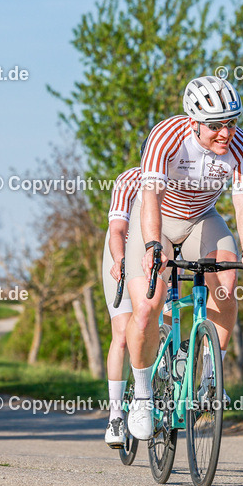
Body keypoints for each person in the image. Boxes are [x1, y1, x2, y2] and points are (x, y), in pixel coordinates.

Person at [123, 75, 243, 440]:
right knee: (148, 307)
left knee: (226, 288)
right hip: (156, 220)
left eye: (231, 122)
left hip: (201, 218)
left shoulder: (242, 147)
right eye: (215, 126)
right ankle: (141, 394)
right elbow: (149, 194)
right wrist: (153, 244)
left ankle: (211, 380)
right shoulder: (166, 136)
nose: (225, 133)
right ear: (194, 122)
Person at [101, 166, 141, 447]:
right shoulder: (130, 180)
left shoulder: (182, 181)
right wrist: (119, 260)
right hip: (122, 251)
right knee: (124, 333)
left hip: (154, 258)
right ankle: (116, 414)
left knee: (158, 325)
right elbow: (117, 228)